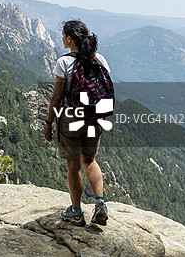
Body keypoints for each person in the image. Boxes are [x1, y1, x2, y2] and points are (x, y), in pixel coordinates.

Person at [43, 20, 109, 227]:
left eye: (63, 35)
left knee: (73, 164)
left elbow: (56, 96)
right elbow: (106, 90)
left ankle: (77, 211)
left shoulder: (64, 62)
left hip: (72, 117)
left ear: (70, 38)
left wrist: (48, 122)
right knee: (89, 159)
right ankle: (100, 204)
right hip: (95, 118)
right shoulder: (100, 59)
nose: (62, 38)